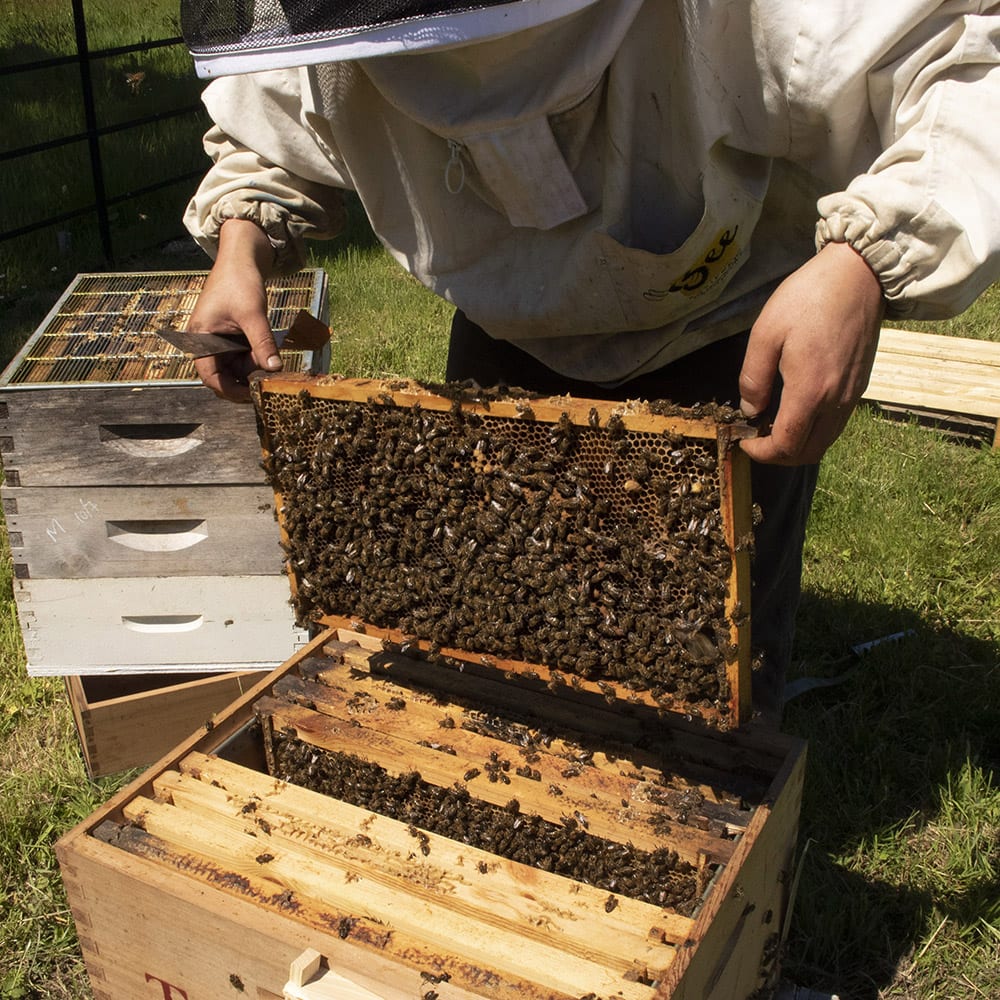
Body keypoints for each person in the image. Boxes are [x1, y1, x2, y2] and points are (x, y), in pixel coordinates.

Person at [179, 0, 1000, 722]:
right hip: (501, 337)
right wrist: (241, 241)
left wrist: (868, 258)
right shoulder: (328, 10)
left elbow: (964, 59)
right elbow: (279, 116)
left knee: (710, 663)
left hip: (720, 334)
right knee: (501, 618)